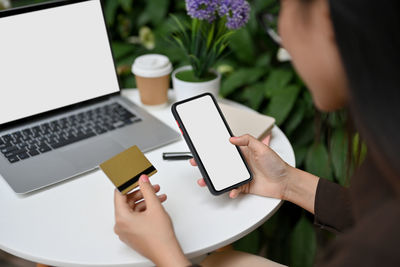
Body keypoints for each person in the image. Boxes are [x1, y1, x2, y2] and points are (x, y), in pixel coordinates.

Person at [113, 0, 400, 266]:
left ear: (325, 19)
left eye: (278, 14)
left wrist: (162, 249)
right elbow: (372, 216)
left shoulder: (373, 248)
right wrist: (288, 182)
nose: (283, 37)